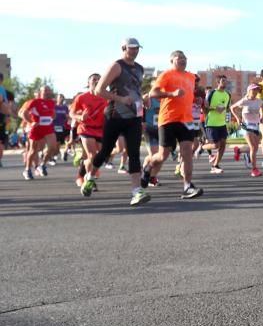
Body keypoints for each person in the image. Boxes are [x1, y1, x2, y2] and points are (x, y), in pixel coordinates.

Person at [80, 38, 150, 205]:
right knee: (105, 151)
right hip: (115, 115)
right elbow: (99, 90)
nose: (134, 51)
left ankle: (136, 191)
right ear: (123, 48)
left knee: (134, 152)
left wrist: (142, 106)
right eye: (131, 48)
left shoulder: (140, 68)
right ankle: (89, 177)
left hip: (133, 116)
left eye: (137, 48)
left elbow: (135, 91)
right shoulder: (116, 66)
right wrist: (120, 99)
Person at [141, 50, 204, 200]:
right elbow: (153, 93)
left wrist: (195, 100)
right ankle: (148, 166)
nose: (183, 60)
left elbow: (188, 94)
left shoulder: (190, 76)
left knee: (187, 153)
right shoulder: (166, 75)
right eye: (179, 58)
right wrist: (171, 94)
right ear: (172, 61)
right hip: (168, 119)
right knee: (162, 156)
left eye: (184, 58)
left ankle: (187, 186)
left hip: (185, 120)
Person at [71, 73, 108, 189]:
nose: (97, 81)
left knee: (99, 157)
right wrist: (80, 117)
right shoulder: (81, 97)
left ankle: (82, 170)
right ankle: (89, 179)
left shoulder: (107, 96)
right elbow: (71, 113)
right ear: (88, 83)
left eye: (99, 79)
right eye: (94, 79)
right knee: (92, 156)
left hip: (101, 129)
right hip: (86, 128)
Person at [18, 85, 58, 179]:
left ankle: (42, 164)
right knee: (33, 150)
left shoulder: (52, 102)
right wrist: (31, 122)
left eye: (49, 90)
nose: (47, 92)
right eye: (45, 90)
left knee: (53, 147)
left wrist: (51, 118)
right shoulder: (33, 102)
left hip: (48, 128)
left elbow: (53, 114)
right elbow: (22, 113)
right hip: (36, 128)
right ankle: (27, 170)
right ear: (40, 92)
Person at [231, 83, 263, 177]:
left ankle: (239, 150)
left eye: (257, 90)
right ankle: (254, 169)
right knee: (253, 147)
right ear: (249, 91)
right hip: (246, 125)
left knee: (255, 147)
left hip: (256, 125)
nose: (255, 91)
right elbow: (232, 108)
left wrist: (261, 115)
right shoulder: (244, 101)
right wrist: (238, 118)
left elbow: (261, 108)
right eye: (254, 90)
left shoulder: (258, 101)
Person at [202, 76, 231, 174]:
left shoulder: (228, 95)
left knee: (223, 145)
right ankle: (201, 147)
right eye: (223, 81)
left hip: (222, 124)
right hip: (211, 123)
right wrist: (214, 109)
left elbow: (226, 108)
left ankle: (215, 165)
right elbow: (204, 108)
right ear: (218, 82)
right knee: (215, 145)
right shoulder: (211, 93)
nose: (225, 82)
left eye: (226, 81)